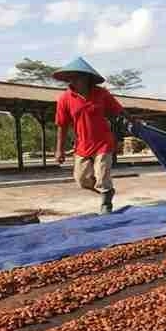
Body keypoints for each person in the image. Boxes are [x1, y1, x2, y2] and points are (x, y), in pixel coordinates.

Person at [52, 57, 131, 214]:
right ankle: (107, 192)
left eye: (77, 77)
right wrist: (59, 150)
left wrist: (133, 122)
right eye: (71, 78)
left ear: (87, 78)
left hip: (103, 142)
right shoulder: (65, 99)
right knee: (82, 180)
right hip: (82, 145)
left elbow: (119, 111)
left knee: (102, 175)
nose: (73, 81)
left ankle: (106, 203)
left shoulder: (101, 94)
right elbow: (62, 125)